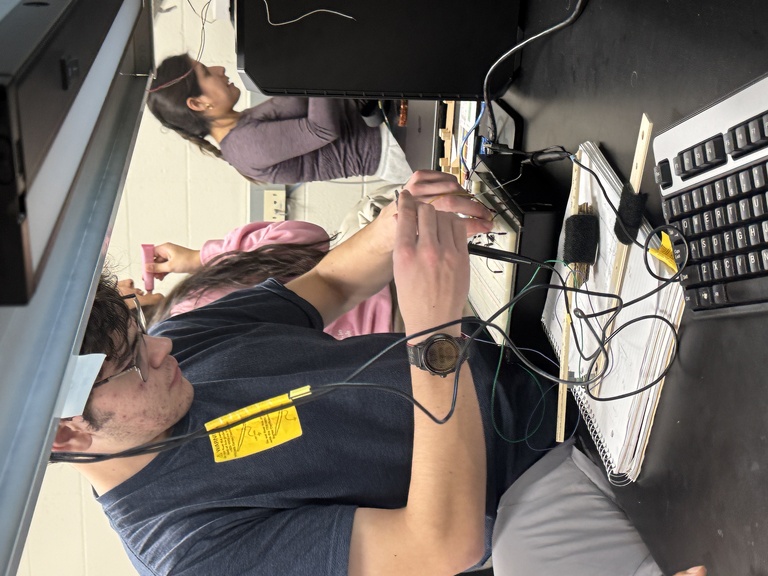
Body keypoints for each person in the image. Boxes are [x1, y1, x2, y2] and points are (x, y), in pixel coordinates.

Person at [52, 171, 704, 576]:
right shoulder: (189, 551)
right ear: (68, 436)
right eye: (135, 366)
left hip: (533, 373)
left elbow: (329, 282)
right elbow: (435, 546)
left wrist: (400, 222)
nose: (162, 352)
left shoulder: (179, 340)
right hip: (519, 490)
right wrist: (434, 335)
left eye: (142, 338)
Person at [146, 54, 413, 185]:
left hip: (389, 128)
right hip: (393, 149)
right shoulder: (243, 146)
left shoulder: (240, 126)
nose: (220, 69)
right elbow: (321, 129)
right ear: (199, 103)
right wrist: (316, 61)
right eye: (206, 73)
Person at [143, 219, 395, 339]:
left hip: (383, 351)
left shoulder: (185, 317)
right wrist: (201, 258)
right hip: (387, 294)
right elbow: (308, 237)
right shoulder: (193, 306)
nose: (128, 283)